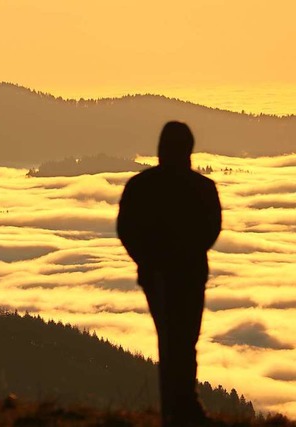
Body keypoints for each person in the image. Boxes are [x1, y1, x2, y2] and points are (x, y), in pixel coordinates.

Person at [117, 121, 222, 426]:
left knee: (170, 340)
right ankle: (184, 408)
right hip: (189, 275)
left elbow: (127, 231)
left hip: (156, 275)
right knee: (185, 340)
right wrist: (183, 257)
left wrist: (148, 261)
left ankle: (176, 410)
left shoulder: (140, 186)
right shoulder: (203, 187)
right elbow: (210, 230)